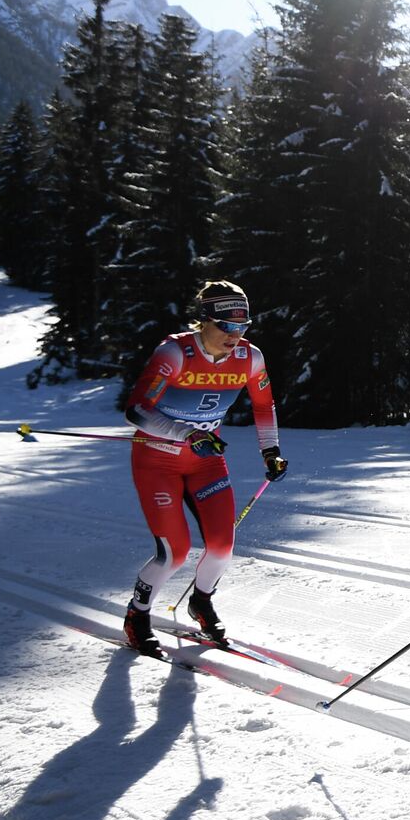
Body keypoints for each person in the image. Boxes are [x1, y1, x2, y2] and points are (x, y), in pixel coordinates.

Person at [120, 280, 288, 657]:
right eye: (227, 326)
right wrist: (186, 432)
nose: (235, 335)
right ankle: (138, 615)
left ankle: (201, 601)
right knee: (174, 553)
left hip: (205, 460)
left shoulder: (250, 358)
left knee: (222, 546)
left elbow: (264, 407)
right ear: (204, 322)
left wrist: (271, 451)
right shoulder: (175, 353)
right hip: (156, 459)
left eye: (243, 326)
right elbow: (137, 410)